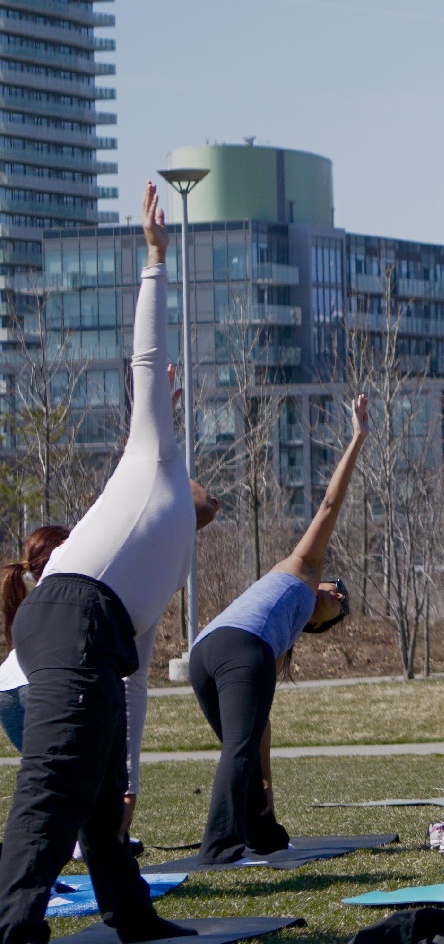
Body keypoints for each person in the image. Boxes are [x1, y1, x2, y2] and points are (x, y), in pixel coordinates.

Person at [0, 181, 222, 944]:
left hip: (91, 632)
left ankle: (131, 916)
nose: (209, 495)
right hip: (68, 609)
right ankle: (12, 927)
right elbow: (147, 352)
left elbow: (134, 673)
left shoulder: (175, 548)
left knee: (95, 789)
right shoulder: (152, 457)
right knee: (54, 784)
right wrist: (155, 261)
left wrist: (128, 773)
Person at [186, 395, 368, 865]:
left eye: (340, 607)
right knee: (239, 750)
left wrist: (267, 784)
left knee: (240, 750)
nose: (338, 596)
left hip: (208, 652)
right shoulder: (302, 568)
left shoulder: (280, 642)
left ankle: (261, 833)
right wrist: (357, 439)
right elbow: (330, 503)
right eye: (337, 589)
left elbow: (258, 730)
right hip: (226, 647)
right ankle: (219, 848)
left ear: (320, 625)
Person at [0, 526, 70, 752]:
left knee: (41, 775)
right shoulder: (68, 595)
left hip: (7, 686)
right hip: (39, 686)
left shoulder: (32, 600)